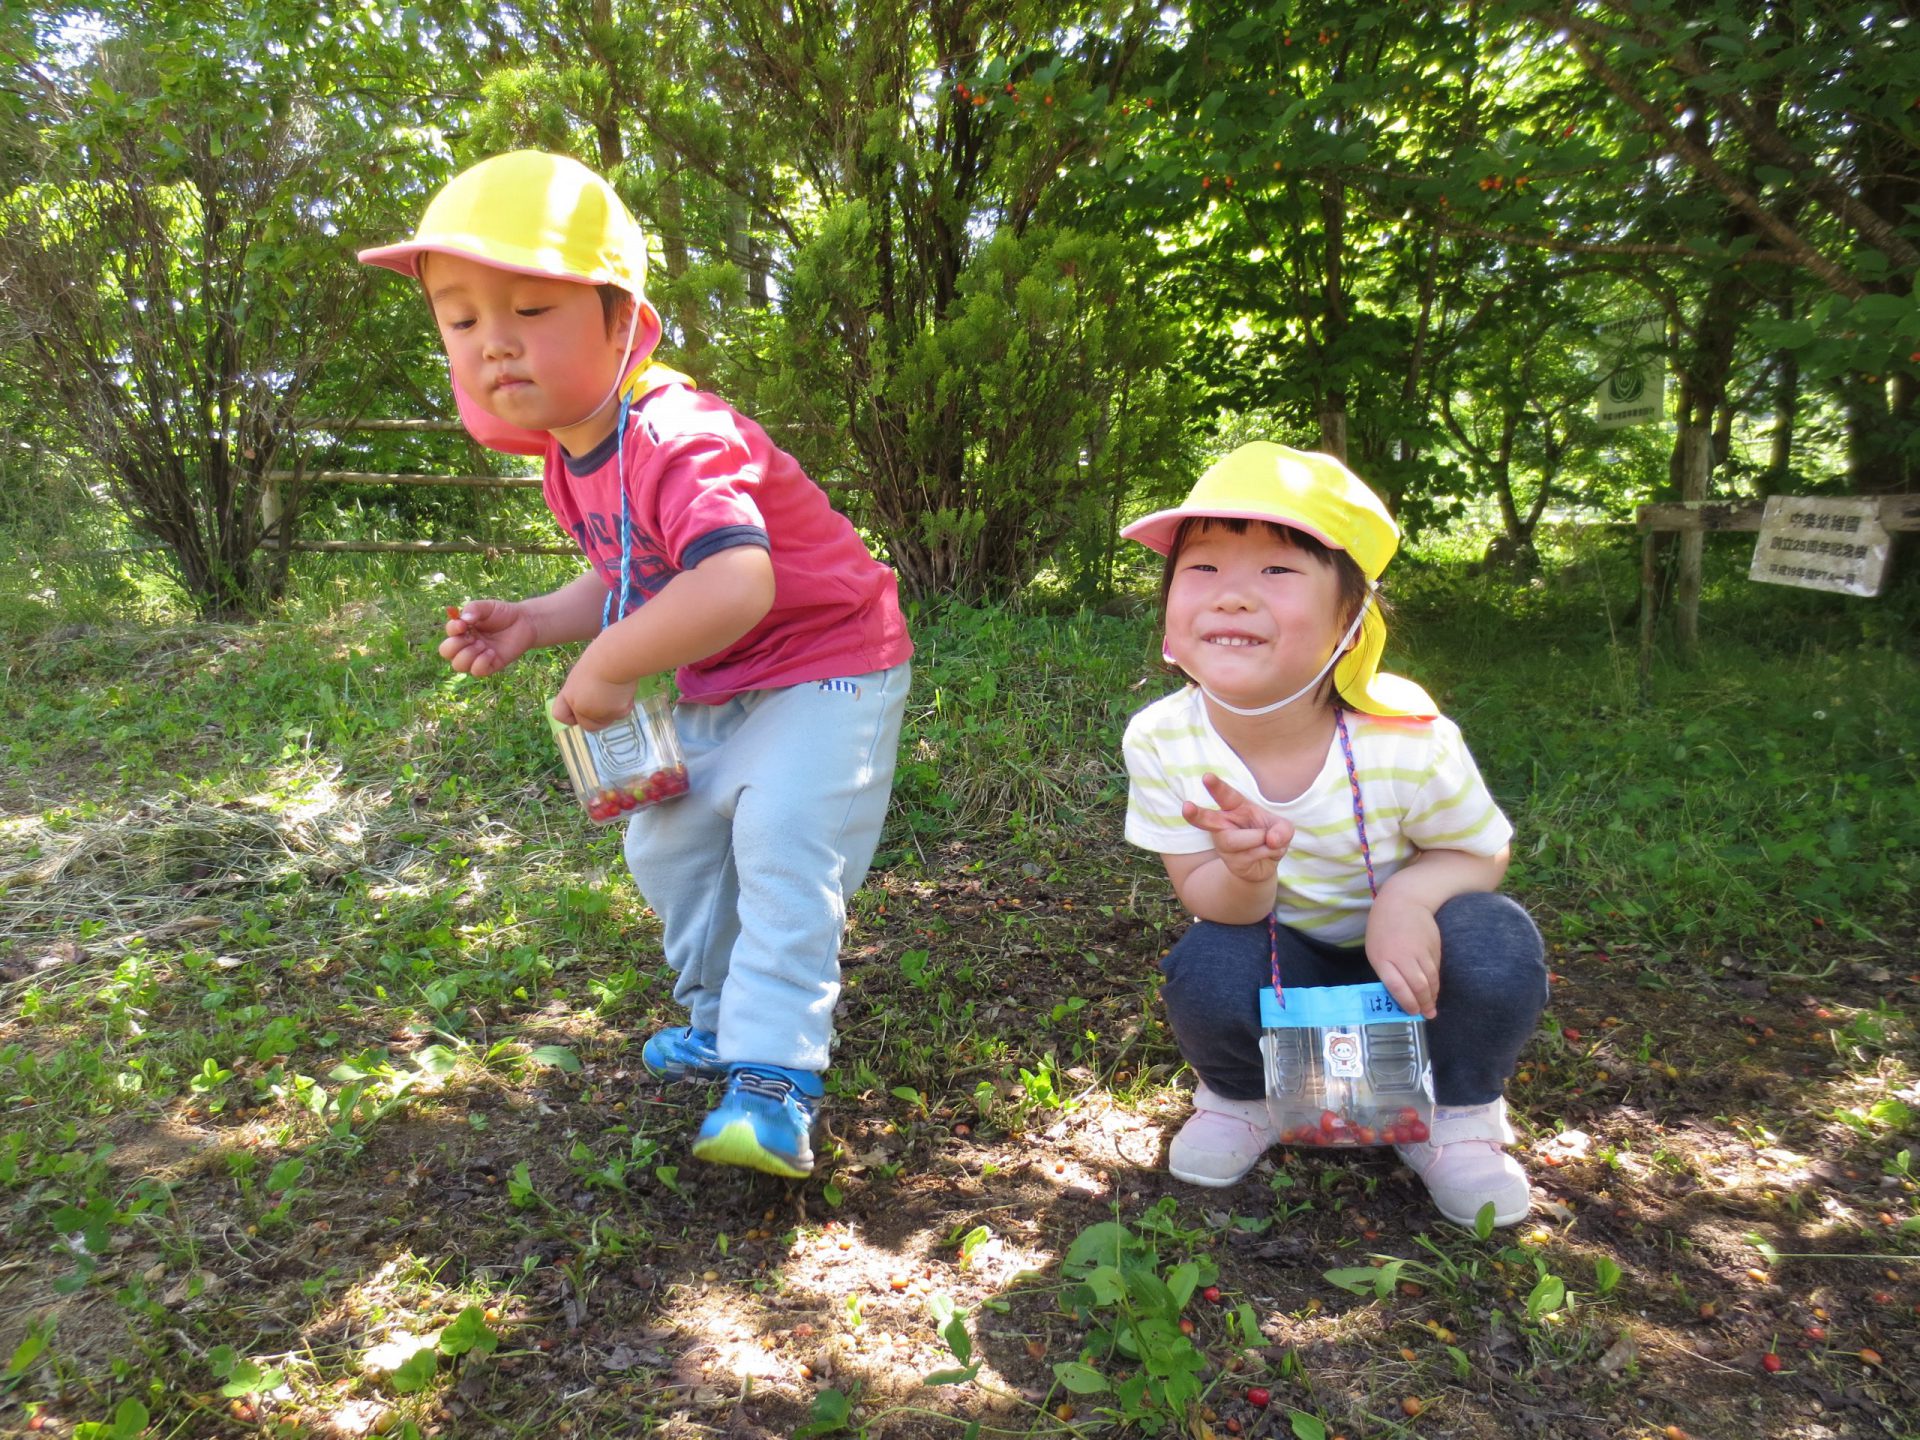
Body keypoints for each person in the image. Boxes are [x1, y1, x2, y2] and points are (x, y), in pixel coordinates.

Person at [360, 151, 913, 1179]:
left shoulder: (676, 433)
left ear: (624, 323)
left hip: (828, 661)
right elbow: (633, 576)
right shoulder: (573, 457)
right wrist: (536, 621)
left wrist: (610, 666)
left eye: (531, 308)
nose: (495, 341)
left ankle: (775, 1076)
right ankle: (718, 1021)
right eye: (461, 319)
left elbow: (735, 580)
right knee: (669, 845)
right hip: (724, 676)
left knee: (783, 839)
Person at [1119, 443, 1546, 1225]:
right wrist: (1246, 876)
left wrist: (1408, 902)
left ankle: (1459, 1115)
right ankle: (1242, 1095)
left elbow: (1481, 850)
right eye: (1202, 567)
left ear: (1351, 621)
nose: (1232, 597)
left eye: (1278, 570)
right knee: (1207, 965)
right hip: (1286, 959)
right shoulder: (1162, 740)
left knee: (1496, 940)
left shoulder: (1408, 737)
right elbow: (1204, 897)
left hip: (1414, 970)